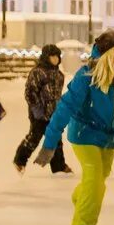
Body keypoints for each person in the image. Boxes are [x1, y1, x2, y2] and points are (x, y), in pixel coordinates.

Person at [36, 30, 114, 225]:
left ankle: (82, 197)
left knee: (96, 181)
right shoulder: (87, 77)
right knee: (95, 178)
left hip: (110, 138)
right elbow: (65, 108)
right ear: (106, 53)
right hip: (84, 134)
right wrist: (49, 144)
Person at [13, 44, 72, 175]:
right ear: (46, 57)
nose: (55, 59)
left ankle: (59, 166)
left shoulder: (59, 75)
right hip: (38, 113)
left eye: (57, 56)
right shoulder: (37, 72)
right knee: (35, 137)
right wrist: (37, 109)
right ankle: (20, 160)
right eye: (52, 56)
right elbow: (30, 92)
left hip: (54, 113)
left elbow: (57, 94)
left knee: (55, 138)